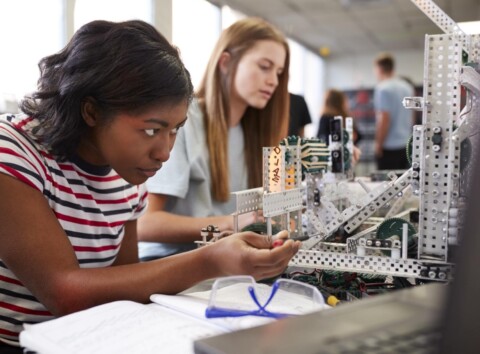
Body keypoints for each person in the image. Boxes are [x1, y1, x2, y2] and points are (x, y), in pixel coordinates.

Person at [0, 20, 300, 351]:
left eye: (175, 130)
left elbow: (125, 281)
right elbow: (64, 293)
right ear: (91, 111)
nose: (164, 152)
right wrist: (210, 259)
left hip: (92, 338)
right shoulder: (13, 153)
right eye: (151, 130)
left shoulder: (127, 171)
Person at [137, 17, 291, 261]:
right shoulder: (184, 122)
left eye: (279, 72)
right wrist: (233, 223)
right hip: (171, 267)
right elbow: (145, 224)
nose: (273, 80)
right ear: (226, 63)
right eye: (264, 66)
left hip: (224, 266)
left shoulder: (252, 135)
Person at [373, 53, 414, 170]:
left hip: (389, 148)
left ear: (379, 69)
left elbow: (384, 119)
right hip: (406, 145)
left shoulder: (382, 88)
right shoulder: (407, 87)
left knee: (387, 185)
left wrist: (378, 145)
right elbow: (412, 115)